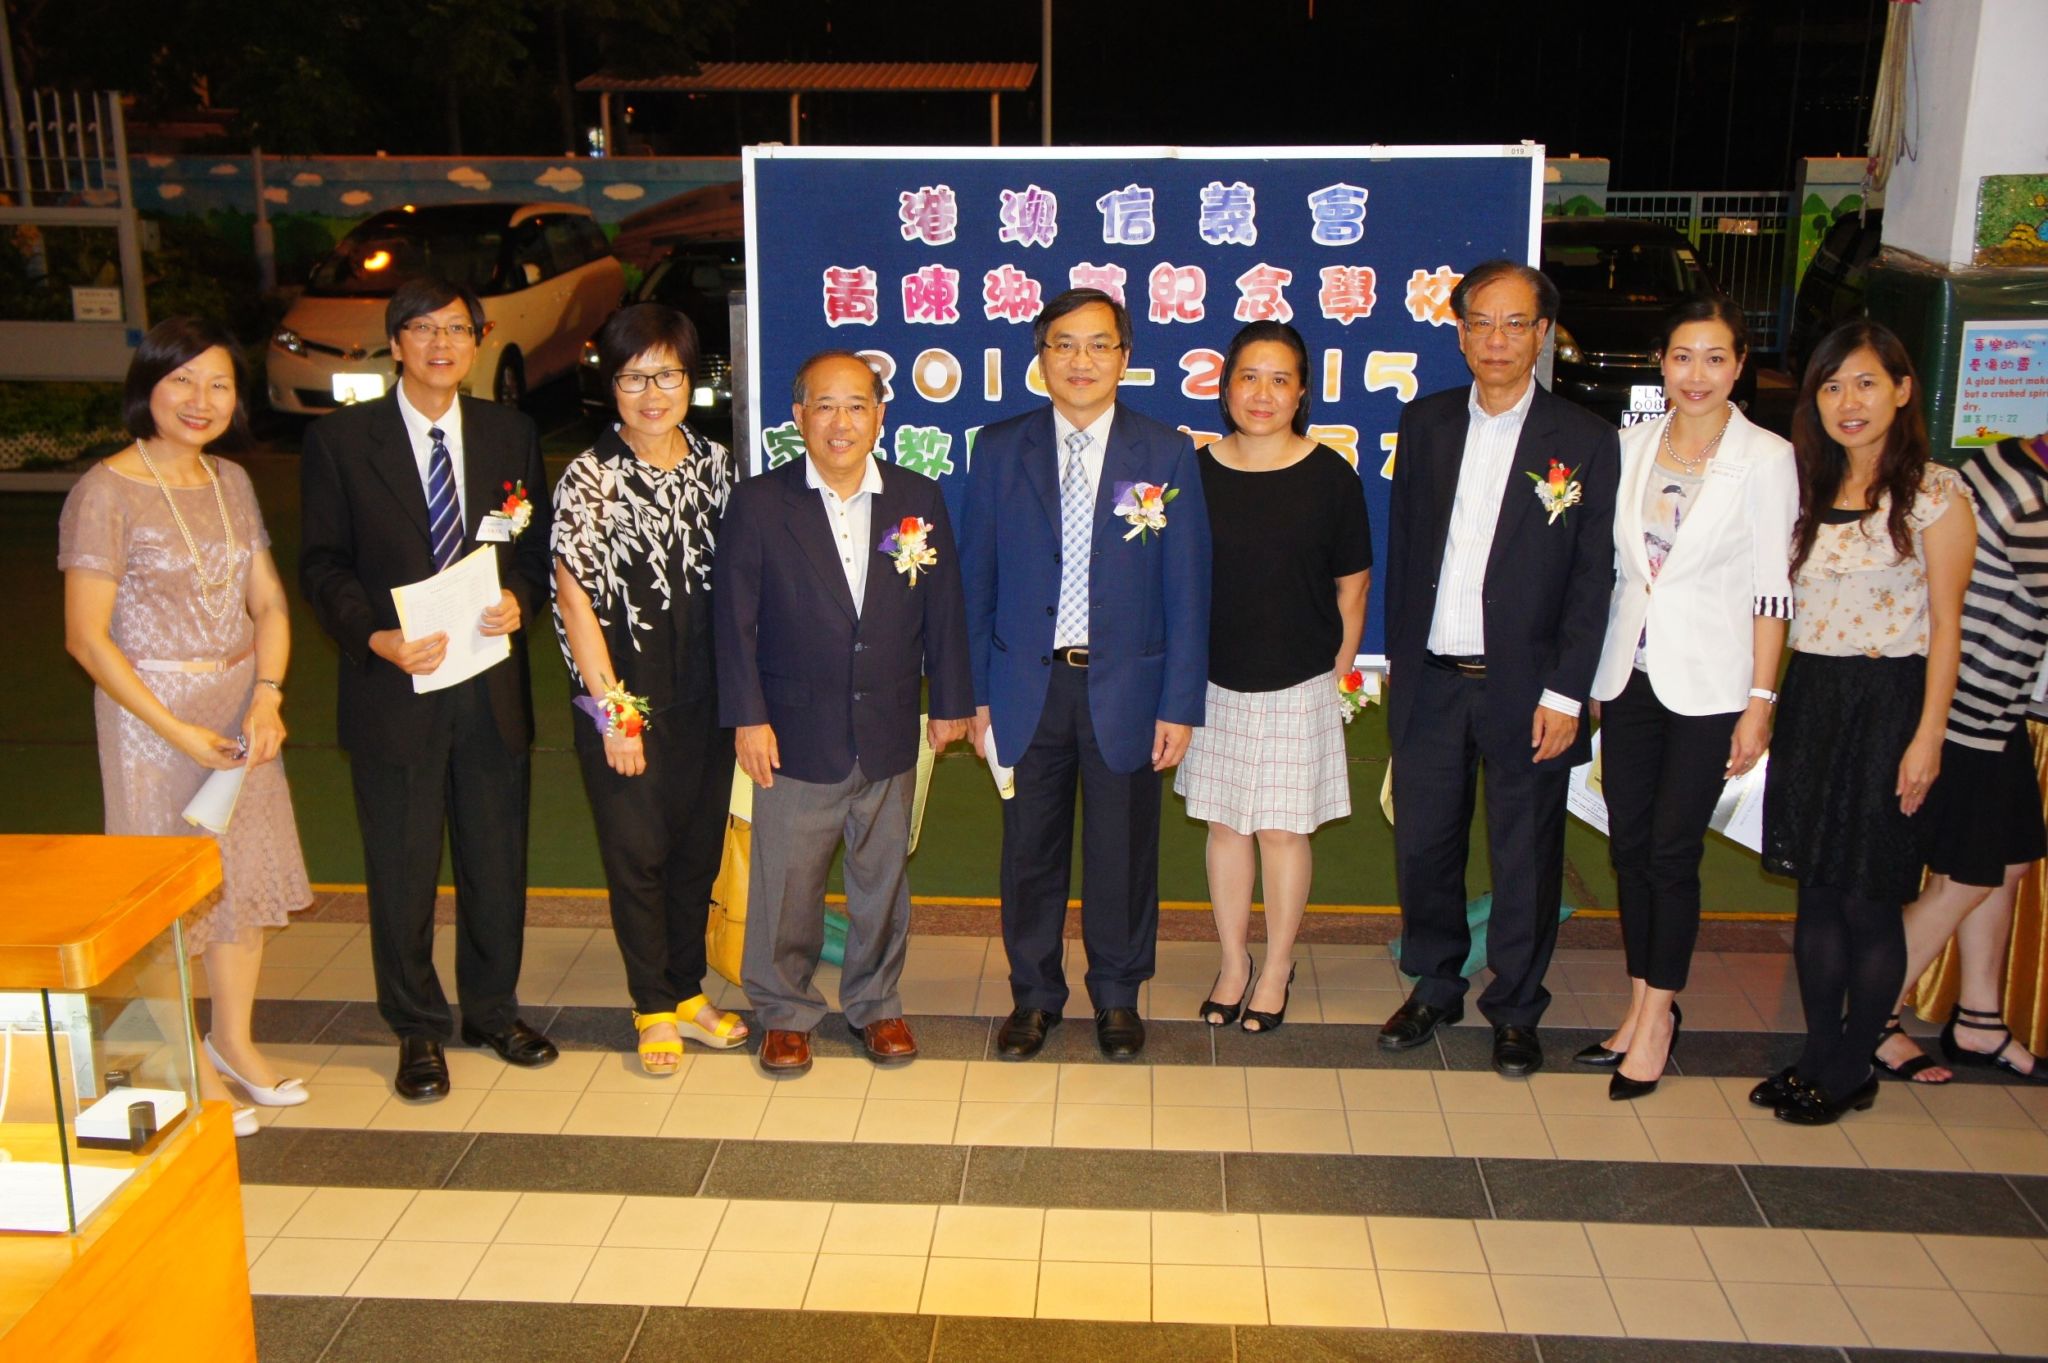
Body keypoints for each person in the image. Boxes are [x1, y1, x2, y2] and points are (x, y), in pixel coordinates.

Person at [300, 276, 558, 1101]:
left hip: (488, 685)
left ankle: (492, 1010)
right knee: (403, 869)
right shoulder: (342, 442)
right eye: (422, 329)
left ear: (477, 341)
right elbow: (322, 565)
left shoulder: (510, 433)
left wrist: (521, 597)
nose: (441, 344)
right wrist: (375, 637)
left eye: (456, 329)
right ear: (396, 344)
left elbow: (533, 546)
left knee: (496, 862)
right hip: (395, 684)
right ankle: (417, 1027)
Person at [59, 317, 314, 1136]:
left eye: (219, 385)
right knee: (170, 895)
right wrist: (173, 728)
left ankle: (233, 1041)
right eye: (182, 381)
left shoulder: (230, 481)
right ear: (149, 387)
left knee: (240, 876)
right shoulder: (105, 490)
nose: (200, 400)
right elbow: (86, 637)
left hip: (240, 711)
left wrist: (267, 696)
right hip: (151, 720)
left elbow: (268, 602)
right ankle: (186, 1064)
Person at [1376, 259, 1620, 1078]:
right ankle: (1435, 983)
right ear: (1460, 333)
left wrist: (1567, 691)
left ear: (1543, 334)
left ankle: (1516, 1006)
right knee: (1425, 844)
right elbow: (1408, 549)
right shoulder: (1428, 422)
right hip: (1433, 677)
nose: (1497, 339)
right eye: (1481, 322)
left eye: (1516, 323)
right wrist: (1399, 661)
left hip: (1529, 687)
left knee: (1525, 854)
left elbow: (1593, 578)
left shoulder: (1582, 439)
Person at [961, 288, 1212, 1063]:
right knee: (1029, 852)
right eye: (1063, 344)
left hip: (1128, 688)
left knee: (1123, 850)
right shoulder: (999, 448)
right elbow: (976, 580)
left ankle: (1117, 993)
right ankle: (1034, 996)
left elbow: (1188, 588)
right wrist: (976, 694)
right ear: (1040, 357)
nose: (1081, 360)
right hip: (1024, 687)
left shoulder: (1164, 452)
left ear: (1124, 358)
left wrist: (1180, 703)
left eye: (1099, 344)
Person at [714, 350, 973, 1075]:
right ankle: (784, 1010)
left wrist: (950, 701)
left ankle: (876, 1003)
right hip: (793, 731)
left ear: (880, 416)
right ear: (799, 416)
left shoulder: (917, 497)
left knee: (882, 880)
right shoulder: (761, 504)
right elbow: (732, 621)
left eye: (857, 405)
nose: (841, 422)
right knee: (787, 885)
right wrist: (748, 718)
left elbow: (944, 607)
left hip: (889, 724)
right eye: (824, 405)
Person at [1752, 320, 1973, 1124]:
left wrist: (1928, 736)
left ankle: (1850, 1066)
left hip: (1890, 703)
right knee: (1816, 893)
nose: (1849, 401)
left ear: (1903, 390)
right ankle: (1818, 1054)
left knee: (1869, 898)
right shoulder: (1804, 488)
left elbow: (1947, 625)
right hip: (1814, 697)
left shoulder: (1935, 494)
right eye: (1833, 385)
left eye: (1867, 382)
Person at [1582, 296, 1796, 1100]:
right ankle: (1643, 1003)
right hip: (1629, 676)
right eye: (1681, 357)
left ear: (1739, 365)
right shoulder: (1632, 444)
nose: (1695, 374)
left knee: (1673, 851)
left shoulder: (1766, 457)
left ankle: (1657, 1020)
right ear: (1661, 364)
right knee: (1629, 845)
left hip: (1712, 685)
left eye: (1713, 358)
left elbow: (1772, 589)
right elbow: (1620, 572)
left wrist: (1760, 698)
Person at [552, 303, 747, 1076]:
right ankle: (651, 1005)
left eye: (666, 375)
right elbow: (574, 603)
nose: (652, 394)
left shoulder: (717, 465)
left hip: (707, 698)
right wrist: (614, 714)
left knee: (696, 852)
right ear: (612, 387)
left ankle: (687, 990)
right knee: (639, 856)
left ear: (690, 381)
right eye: (634, 379)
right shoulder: (589, 478)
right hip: (627, 705)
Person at [1178, 321, 1370, 1034]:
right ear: (1225, 387)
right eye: (1249, 377)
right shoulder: (1193, 474)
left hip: (1300, 680)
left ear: (1301, 393)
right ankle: (1234, 962)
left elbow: (1353, 586)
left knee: (1284, 831)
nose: (1263, 394)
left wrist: (1336, 673)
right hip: (1213, 682)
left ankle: (1279, 965)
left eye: (1280, 379)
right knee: (1227, 826)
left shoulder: (1330, 476)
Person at [1873, 426, 2048, 1084]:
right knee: (1968, 877)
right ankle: (1868, 1017)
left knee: (2006, 860)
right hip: (1964, 710)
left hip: (1986, 708)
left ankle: (1978, 1020)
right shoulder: (2031, 497)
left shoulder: (2007, 457)